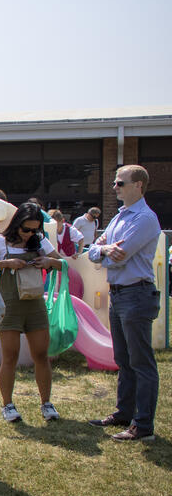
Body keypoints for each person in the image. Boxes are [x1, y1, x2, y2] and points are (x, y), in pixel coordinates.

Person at [88, 165, 162, 441]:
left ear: (138, 185)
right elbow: (94, 250)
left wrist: (103, 251)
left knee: (140, 362)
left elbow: (120, 255)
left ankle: (142, 426)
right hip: (119, 294)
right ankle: (124, 413)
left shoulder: (145, 218)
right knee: (123, 359)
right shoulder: (120, 216)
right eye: (115, 183)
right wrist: (104, 249)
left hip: (136, 295)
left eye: (120, 183)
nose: (114, 187)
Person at [0, 202, 63, 423]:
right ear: (17, 223)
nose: (30, 234)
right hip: (10, 306)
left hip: (35, 304)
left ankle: (46, 403)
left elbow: (62, 263)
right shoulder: (0, 241)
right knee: (10, 356)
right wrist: (5, 263)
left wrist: (49, 261)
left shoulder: (40, 241)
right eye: (26, 229)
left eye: (34, 229)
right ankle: (7, 404)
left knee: (41, 355)